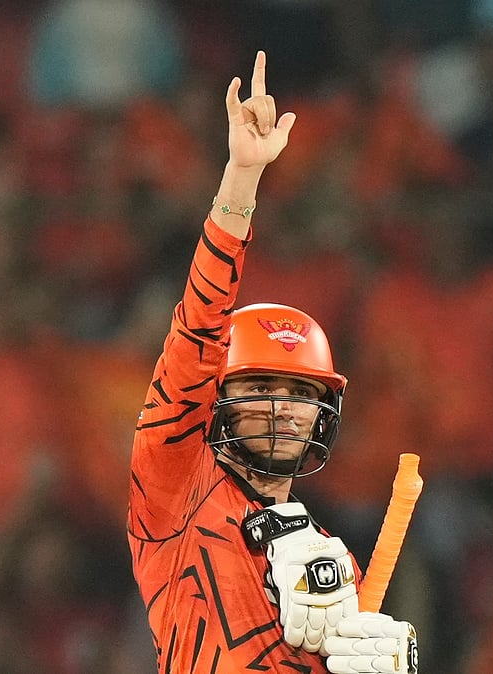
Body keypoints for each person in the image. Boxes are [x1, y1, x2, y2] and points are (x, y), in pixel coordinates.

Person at [126, 51, 419, 674]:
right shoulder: (173, 490)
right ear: (219, 396)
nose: (286, 409)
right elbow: (197, 327)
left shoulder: (332, 559)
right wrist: (241, 179)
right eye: (262, 387)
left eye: (302, 393)